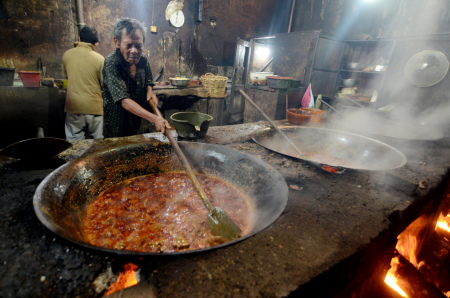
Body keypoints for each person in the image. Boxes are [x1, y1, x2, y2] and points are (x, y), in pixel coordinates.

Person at [102, 18, 170, 138]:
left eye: (138, 46)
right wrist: (155, 119)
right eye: (128, 45)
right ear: (116, 42)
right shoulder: (111, 62)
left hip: (135, 124)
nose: (134, 51)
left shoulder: (143, 60)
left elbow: (149, 81)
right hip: (116, 128)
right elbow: (124, 100)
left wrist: (150, 92)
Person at [62, 26, 105, 141]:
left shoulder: (67, 55)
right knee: (98, 145)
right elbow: (103, 84)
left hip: (74, 107)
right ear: (95, 44)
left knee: (74, 146)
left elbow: (67, 77)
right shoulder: (100, 59)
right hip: (95, 108)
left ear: (79, 38)